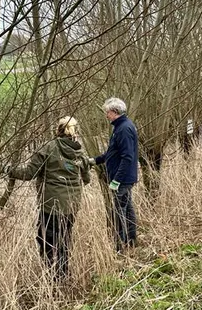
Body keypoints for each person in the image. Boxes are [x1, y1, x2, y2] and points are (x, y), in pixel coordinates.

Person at [9, 117, 91, 282]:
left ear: (58, 129)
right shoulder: (80, 151)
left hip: (50, 204)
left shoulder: (49, 148)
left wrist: (10, 170)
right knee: (64, 238)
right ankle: (62, 274)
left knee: (44, 238)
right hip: (72, 205)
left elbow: (28, 173)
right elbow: (87, 179)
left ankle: (49, 272)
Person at [91, 98, 139, 251]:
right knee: (127, 207)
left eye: (108, 112)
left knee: (119, 211)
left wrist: (117, 180)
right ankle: (131, 241)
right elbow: (112, 153)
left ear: (115, 112)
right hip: (125, 177)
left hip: (123, 179)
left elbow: (127, 157)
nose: (107, 115)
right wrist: (95, 160)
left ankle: (120, 246)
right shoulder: (121, 127)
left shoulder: (124, 129)